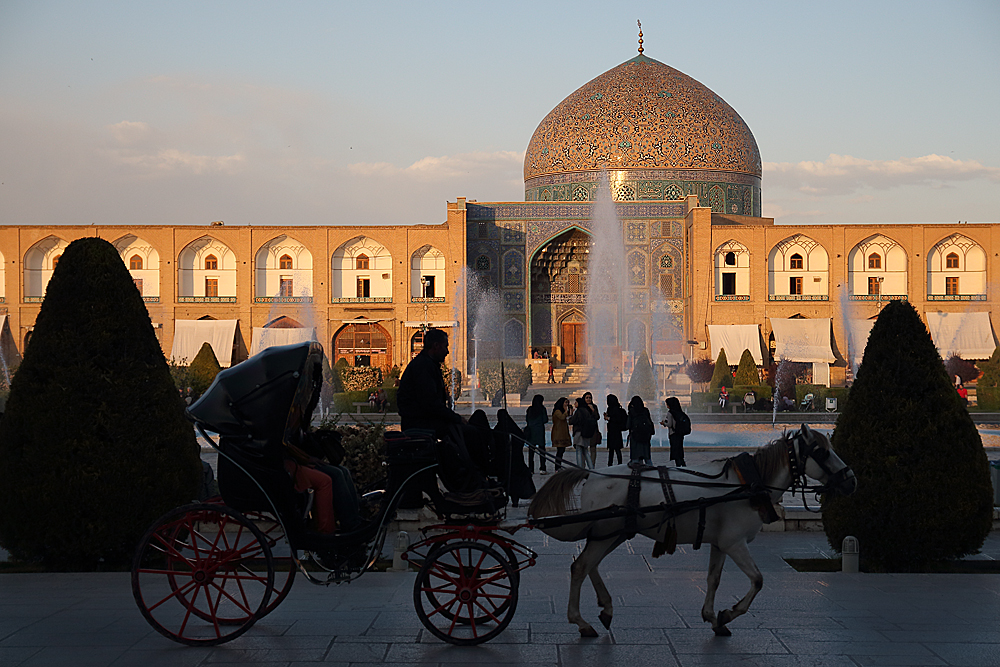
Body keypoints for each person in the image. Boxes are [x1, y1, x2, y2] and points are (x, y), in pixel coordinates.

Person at [397, 328, 488, 490]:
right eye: (445, 347)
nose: (447, 351)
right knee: (471, 434)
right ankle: (473, 480)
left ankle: (473, 477)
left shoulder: (427, 364)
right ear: (436, 346)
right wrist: (456, 418)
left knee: (475, 427)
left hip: (426, 421)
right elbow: (430, 405)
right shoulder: (423, 367)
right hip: (420, 424)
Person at [495, 409, 535, 507]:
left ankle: (507, 498)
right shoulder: (513, 428)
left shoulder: (498, 429)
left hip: (504, 462)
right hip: (516, 460)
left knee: (507, 480)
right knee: (515, 481)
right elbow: (521, 438)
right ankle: (514, 500)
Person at [625, 396, 654, 466]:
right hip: (645, 436)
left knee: (636, 458)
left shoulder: (632, 411)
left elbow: (628, 425)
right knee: (647, 458)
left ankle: (638, 473)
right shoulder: (645, 411)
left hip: (635, 437)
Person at [568, 396, 596, 469]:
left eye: (576, 402)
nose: (574, 404)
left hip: (579, 433)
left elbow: (572, 421)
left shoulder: (579, 411)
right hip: (586, 433)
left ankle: (580, 469)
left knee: (579, 451)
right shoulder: (586, 411)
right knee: (586, 451)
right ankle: (591, 468)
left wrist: (570, 414)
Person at [524, 394, 548, 474]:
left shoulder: (530, 409)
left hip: (531, 431)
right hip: (540, 431)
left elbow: (527, 419)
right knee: (542, 451)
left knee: (531, 452)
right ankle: (542, 468)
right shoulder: (542, 409)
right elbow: (545, 420)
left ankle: (531, 469)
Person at [661, 396, 687, 467]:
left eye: (667, 404)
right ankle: (683, 465)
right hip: (680, 434)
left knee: (675, 451)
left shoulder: (670, 413)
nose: (667, 406)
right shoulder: (679, 412)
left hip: (673, 434)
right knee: (680, 450)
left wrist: (664, 423)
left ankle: (678, 466)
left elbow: (669, 424)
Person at [603, 394, 628, 466]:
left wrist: (609, 418)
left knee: (614, 449)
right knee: (616, 449)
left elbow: (617, 419)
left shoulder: (615, 409)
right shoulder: (612, 408)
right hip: (614, 431)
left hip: (614, 431)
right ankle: (617, 463)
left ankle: (611, 464)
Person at [551, 397, 572, 470]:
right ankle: (557, 467)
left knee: (561, 451)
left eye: (567, 403)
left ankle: (558, 466)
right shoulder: (557, 411)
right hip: (558, 433)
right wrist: (566, 411)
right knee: (559, 451)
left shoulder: (562, 411)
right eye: (565, 402)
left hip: (562, 432)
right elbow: (562, 417)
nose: (567, 404)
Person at [582, 391, 601, 467]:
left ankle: (592, 465)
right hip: (585, 430)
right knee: (584, 448)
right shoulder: (582, 407)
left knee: (593, 449)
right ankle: (582, 465)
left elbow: (597, 417)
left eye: (590, 398)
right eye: (587, 398)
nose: (588, 399)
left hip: (593, 430)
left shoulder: (594, 406)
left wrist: (593, 410)